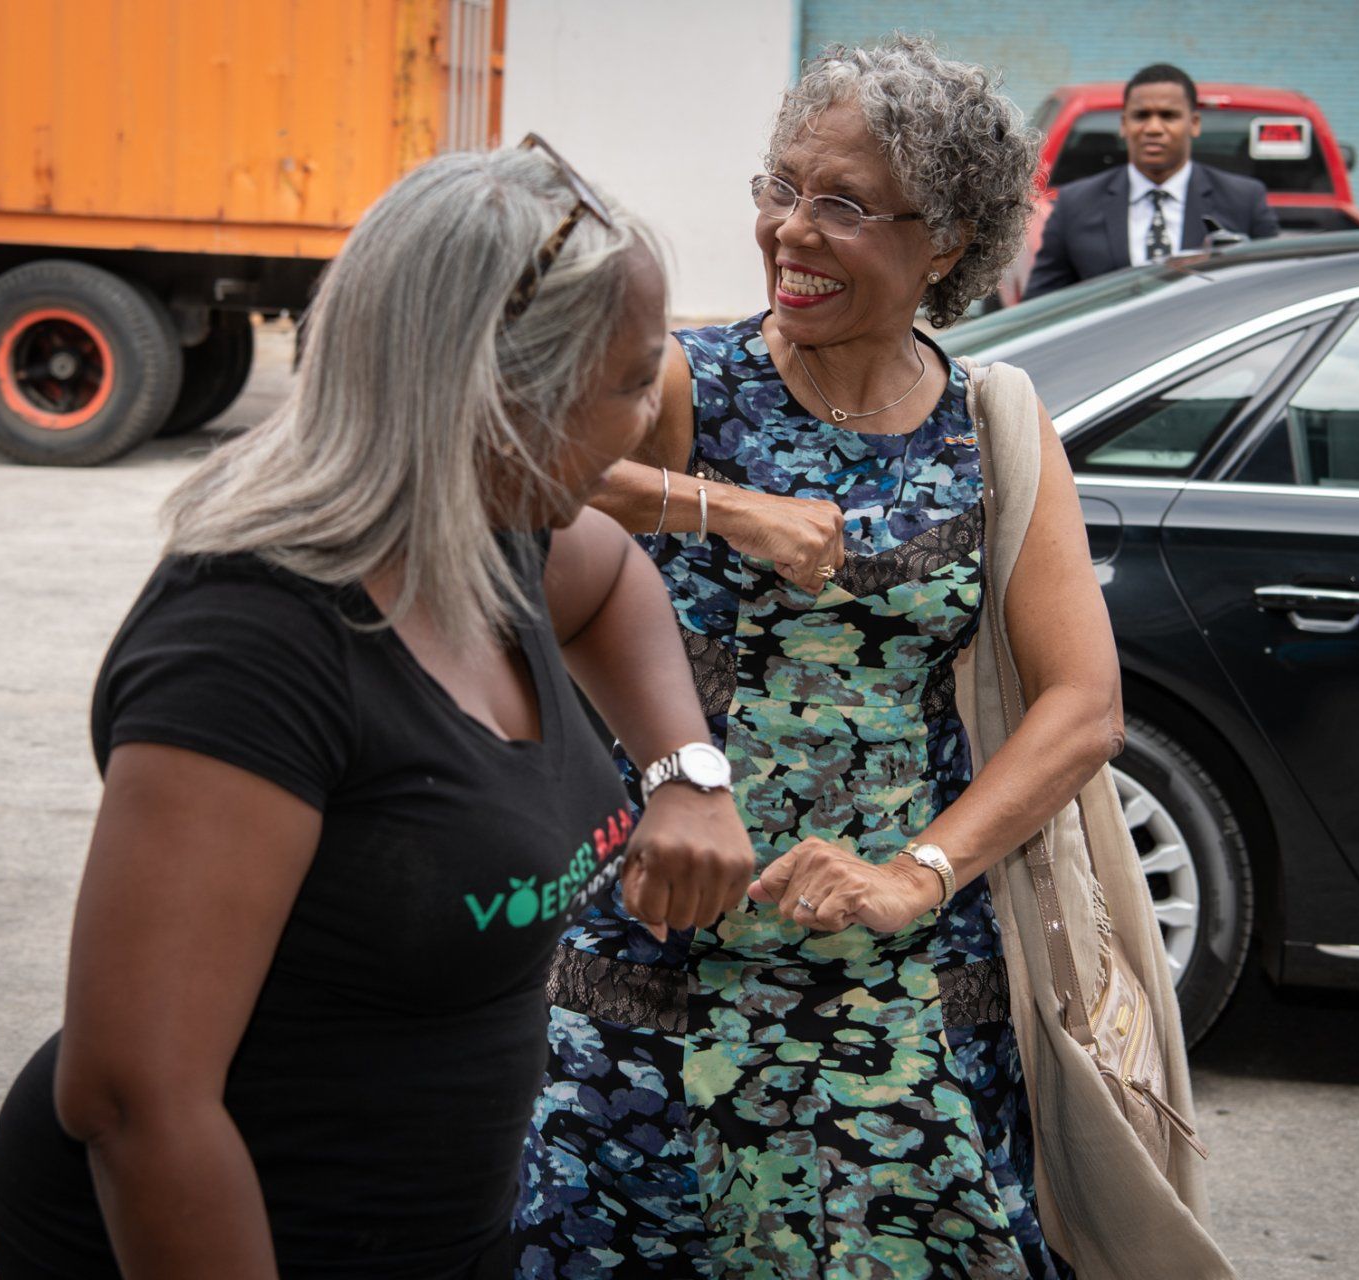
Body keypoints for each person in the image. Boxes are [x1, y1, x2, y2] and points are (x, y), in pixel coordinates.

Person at [0, 141, 756, 1279]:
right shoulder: (252, 641)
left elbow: (616, 584)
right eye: (634, 381)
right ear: (503, 398)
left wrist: (686, 773)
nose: (650, 419)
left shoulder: (490, 533)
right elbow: (135, 1100)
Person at [516, 37, 1126, 1278]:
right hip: (658, 955)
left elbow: (1083, 704)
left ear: (945, 241)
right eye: (780, 187)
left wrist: (916, 874)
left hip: (896, 981)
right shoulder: (690, 379)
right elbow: (509, 461)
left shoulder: (992, 428)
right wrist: (724, 507)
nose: (790, 229)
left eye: (842, 204)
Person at [1025, 62, 1280, 299]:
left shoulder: (1243, 200)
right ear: (1124, 124)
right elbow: (1040, 304)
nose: (1153, 128)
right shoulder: (1075, 204)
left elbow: (1273, 292)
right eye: (1141, 116)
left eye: (1168, 116)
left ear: (1194, 123)